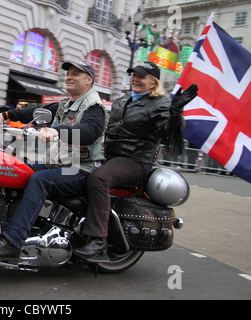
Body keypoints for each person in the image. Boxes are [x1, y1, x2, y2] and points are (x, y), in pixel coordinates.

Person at [0, 60, 107, 262]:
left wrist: (56, 131)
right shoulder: (66, 104)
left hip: (80, 169)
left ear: (89, 80)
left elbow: (89, 131)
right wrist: (5, 115)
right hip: (59, 163)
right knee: (17, 167)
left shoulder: (94, 106)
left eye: (75, 74)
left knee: (39, 179)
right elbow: (36, 112)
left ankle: (12, 242)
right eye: (68, 73)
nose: (69, 77)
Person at [74, 62, 198, 261]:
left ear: (153, 82)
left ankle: (98, 238)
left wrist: (175, 113)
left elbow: (167, 133)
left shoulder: (160, 103)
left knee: (99, 179)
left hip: (135, 161)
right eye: (134, 75)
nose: (136, 79)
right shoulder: (122, 100)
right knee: (72, 171)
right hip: (111, 158)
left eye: (141, 76)